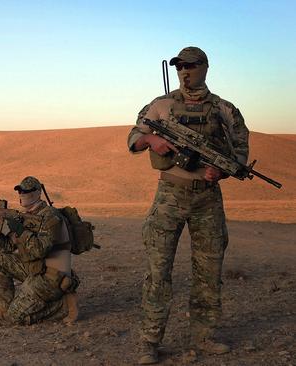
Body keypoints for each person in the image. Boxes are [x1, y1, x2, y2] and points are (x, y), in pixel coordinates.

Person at [127, 46, 249, 364]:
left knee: (208, 271)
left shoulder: (225, 109)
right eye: (180, 66)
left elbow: (240, 149)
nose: (185, 71)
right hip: (169, 195)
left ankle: (205, 336)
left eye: (191, 65)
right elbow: (133, 138)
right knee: (158, 271)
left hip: (207, 198)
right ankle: (149, 341)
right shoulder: (160, 105)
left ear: (205, 68)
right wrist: (152, 140)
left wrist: (221, 171)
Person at [0, 176, 80, 325]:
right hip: (35, 270)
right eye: (20, 191)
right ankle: (2, 309)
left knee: (16, 317)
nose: (21, 194)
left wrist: (22, 231)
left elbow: (40, 250)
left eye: (26, 191)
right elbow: (7, 246)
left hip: (52, 277)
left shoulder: (51, 217)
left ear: (37, 193)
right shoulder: (27, 217)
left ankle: (63, 306)